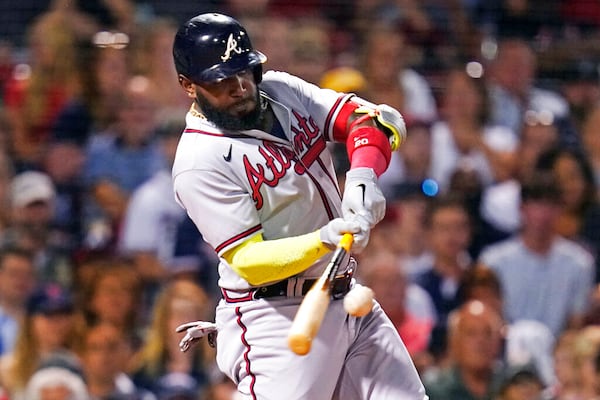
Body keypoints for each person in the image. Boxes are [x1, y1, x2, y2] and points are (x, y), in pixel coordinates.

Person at [171, 13, 427, 400]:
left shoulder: (281, 90)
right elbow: (249, 260)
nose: (240, 87)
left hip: (346, 294)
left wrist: (363, 176)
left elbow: (374, 120)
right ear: (189, 85)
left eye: (244, 71)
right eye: (222, 80)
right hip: (276, 316)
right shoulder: (199, 161)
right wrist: (322, 239)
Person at [478, 172, 595, 338]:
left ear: (560, 210)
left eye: (550, 205)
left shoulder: (580, 264)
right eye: (536, 204)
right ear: (522, 208)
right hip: (504, 351)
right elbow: (487, 316)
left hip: (558, 356)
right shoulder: (493, 261)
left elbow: (575, 323)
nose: (543, 214)